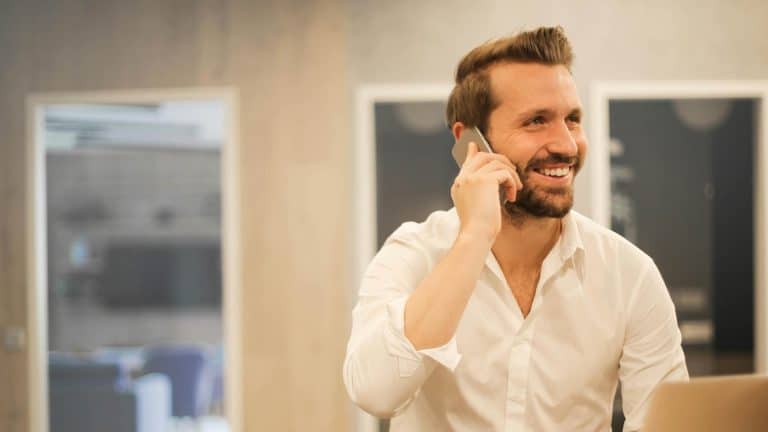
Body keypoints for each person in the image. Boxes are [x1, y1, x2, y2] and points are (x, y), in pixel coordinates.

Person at [343, 26, 688, 431]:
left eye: (572, 120)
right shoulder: (412, 254)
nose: (566, 144)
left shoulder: (630, 275)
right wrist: (474, 238)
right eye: (536, 121)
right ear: (470, 141)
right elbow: (376, 394)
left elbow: (667, 424)